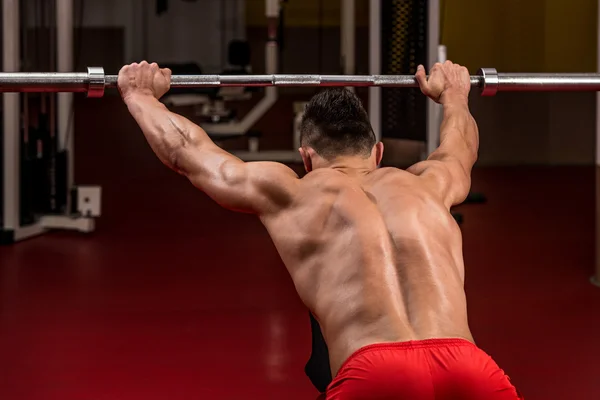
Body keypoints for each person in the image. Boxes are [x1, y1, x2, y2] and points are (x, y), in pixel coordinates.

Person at [118, 60, 524, 400]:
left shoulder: (292, 193)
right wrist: (455, 94)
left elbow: (188, 154)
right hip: (470, 368)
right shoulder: (430, 184)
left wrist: (139, 95)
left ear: (306, 158)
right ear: (377, 153)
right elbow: (460, 146)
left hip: (375, 374)